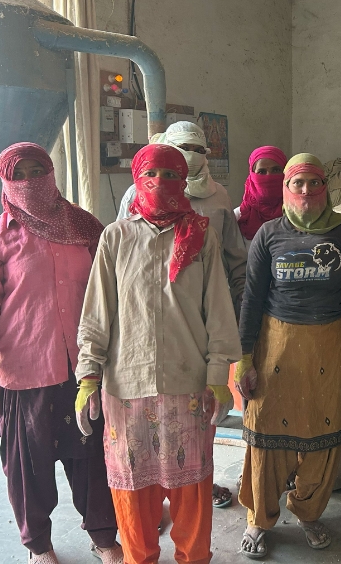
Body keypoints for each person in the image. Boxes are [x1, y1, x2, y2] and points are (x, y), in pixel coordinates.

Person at [0, 142, 123, 564]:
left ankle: (103, 536)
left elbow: (111, 295)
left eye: (38, 170)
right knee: (28, 470)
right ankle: (39, 546)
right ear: (6, 182)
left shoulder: (85, 227)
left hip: (83, 370)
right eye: (20, 173)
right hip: (22, 374)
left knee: (92, 462)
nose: (30, 180)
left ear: (52, 174)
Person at [75, 144, 242, 564]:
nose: (161, 183)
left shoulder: (201, 233)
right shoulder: (115, 237)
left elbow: (219, 310)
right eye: (152, 173)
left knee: (192, 496)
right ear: (136, 178)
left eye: (171, 175)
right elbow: (97, 312)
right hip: (125, 388)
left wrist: (218, 377)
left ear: (184, 181)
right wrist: (88, 376)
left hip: (187, 386)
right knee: (133, 496)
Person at [234, 153, 341, 559]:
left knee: (324, 429)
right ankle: (260, 519)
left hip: (327, 342)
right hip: (275, 343)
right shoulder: (268, 234)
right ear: (285, 189)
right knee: (265, 433)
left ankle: (308, 511)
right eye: (297, 183)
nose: (306, 191)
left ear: (325, 189)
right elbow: (251, 300)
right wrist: (245, 356)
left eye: (314, 183)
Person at [117, 122, 247, 509]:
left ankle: (198, 485)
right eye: (179, 148)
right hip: (147, 320)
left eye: (195, 148)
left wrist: (234, 320)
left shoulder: (218, 196)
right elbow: (123, 259)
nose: (187, 155)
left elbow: (233, 257)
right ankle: (154, 497)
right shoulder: (134, 196)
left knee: (199, 415)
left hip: (202, 316)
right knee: (149, 417)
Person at [117, 121, 247, 314]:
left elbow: (233, 251)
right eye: (184, 148)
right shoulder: (138, 194)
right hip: (147, 296)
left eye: (198, 150)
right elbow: (122, 252)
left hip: (205, 296)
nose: (192, 155)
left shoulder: (218, 196)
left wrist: (240, 299)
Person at [234, 146, 287, 249]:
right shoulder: (239, 217)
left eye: (276, 170)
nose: (268, 176)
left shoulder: (296, 214)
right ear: (252, 176)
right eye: (261, 172)